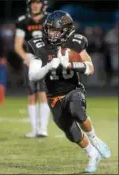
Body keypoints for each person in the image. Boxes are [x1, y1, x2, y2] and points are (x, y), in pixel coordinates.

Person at [27, 10, 111, 173]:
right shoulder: (39, 45)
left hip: (73, 89)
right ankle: (92, 154)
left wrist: (70, 65)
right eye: (50, 29)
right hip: (52, 96)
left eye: (56, 30)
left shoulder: (75, 43)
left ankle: (94, 138)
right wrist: (49, 66)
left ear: (65, 31)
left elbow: (90, 68)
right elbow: (32, 75)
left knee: (76, 111)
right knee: (71, 132)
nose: (51, 33)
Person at [15, 0, 50, 138]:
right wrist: (26, 58)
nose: (35, 5)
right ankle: (34, 129)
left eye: (38, 2)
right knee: (31, 95)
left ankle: (43, 129)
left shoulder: (49, 19)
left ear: (43, 4)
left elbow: (56, 40)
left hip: (45, 59)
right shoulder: (23, 21)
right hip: (30, 59)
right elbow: (17, 45)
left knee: (42, 93)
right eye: (33, 2)